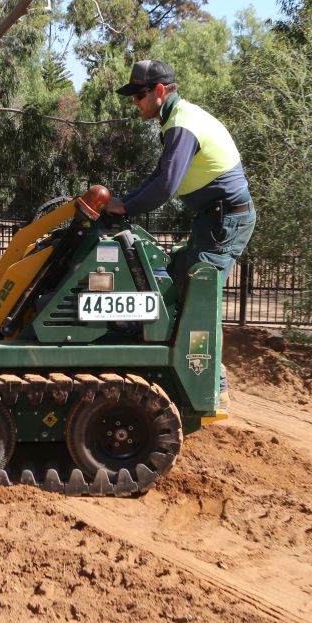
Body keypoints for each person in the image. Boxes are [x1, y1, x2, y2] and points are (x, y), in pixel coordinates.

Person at [106, 59, 256, 407]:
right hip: (213, 219)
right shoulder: (176, 119)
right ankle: (173, 370)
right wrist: (123, 201)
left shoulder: (183, 124)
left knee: (200, 299)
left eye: (139, 95)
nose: (135, 102)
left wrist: (125, 207)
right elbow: (158, 177)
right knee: (173, 277)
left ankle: (211, 389)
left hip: (226, 221)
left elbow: (166, 186)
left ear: (159, 91)